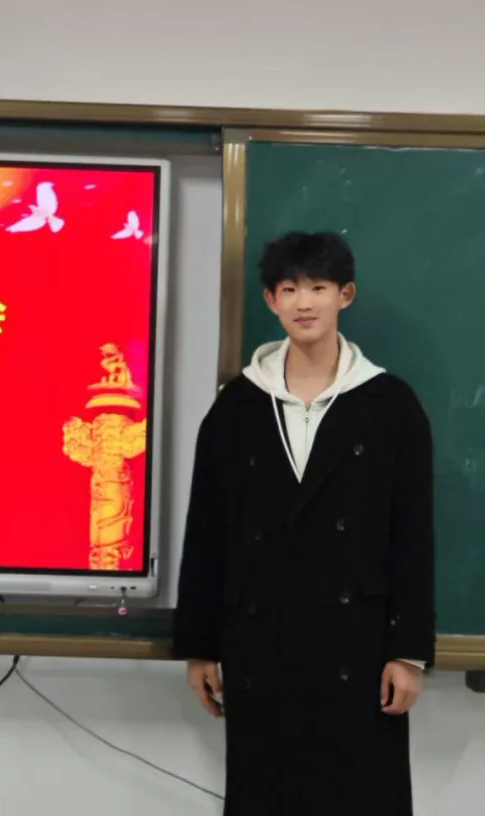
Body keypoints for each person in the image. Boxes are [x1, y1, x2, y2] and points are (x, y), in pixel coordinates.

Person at [172, 231, 435, 816]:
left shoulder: (390, 405)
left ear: (345, 295)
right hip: (259, 643)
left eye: (318, 287)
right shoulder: (238, 406)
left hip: (359, 648)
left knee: (360, 797)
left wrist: (409, 653)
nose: (304, 303)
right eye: (289, 290)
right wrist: (199, 646)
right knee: (268, 795)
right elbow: (208, 531)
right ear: (271, 301)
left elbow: (414, 536)